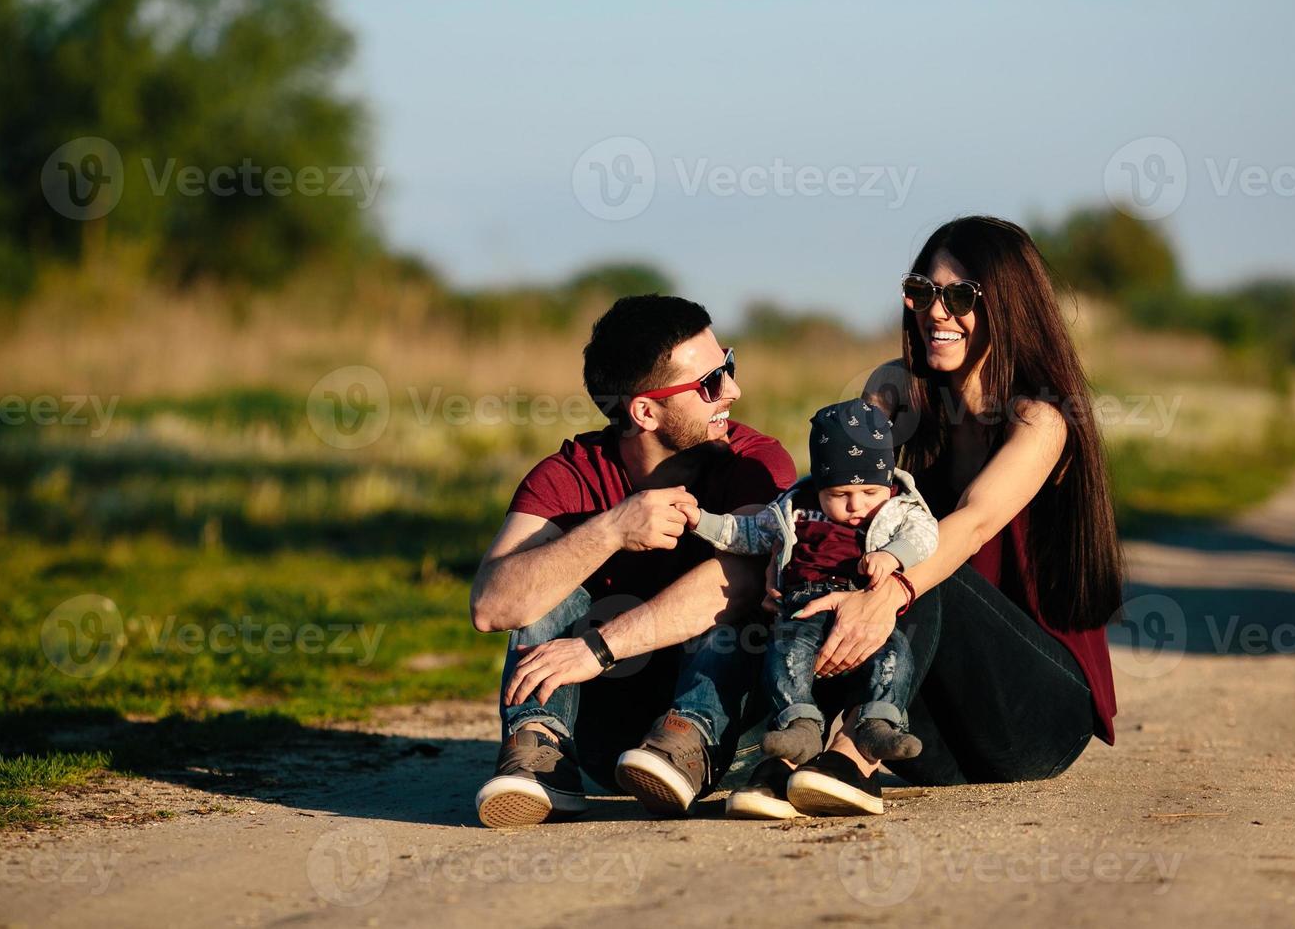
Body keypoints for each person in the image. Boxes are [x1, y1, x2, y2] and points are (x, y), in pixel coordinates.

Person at [718, 216, 1124, 818]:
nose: (936, 311)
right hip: (939, 729)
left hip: (1036, 718)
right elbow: (839, 481)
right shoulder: (902, 391)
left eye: (961, 297)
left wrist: (893, 591)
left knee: (914, 555)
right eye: (923, 291)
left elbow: (976, 522)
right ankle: (780, 756)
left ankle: (851, 762)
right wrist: (790, 551)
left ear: (1008, 307)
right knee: (837, 569)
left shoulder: (1041, 419)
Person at [469, 294, 796, 828]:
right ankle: (542, 754)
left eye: (729, 366)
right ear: (645, 410)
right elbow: (491, 605)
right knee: (546, 581)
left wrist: (599, 648)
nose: (733, 391)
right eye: (712, 382)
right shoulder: (568, 475)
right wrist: (610, 529)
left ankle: (687, 736)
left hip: (730, 730)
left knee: (741, 610)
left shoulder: (754, 462)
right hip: (608, 731)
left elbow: (741, 579)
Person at [677, 399, 938, 817]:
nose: (856, 506)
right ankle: (799, 725)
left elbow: (927, 535)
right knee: (785, 659)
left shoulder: (897, 509)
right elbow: (745, 533)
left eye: (870, 492)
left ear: (887, 485)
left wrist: (894, 555)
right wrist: (701, 521)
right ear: (819, 485)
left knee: (895, 654)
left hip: (862, 608)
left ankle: (877, 724)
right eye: (841, 494)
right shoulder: (793, 509)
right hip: (802, 612)